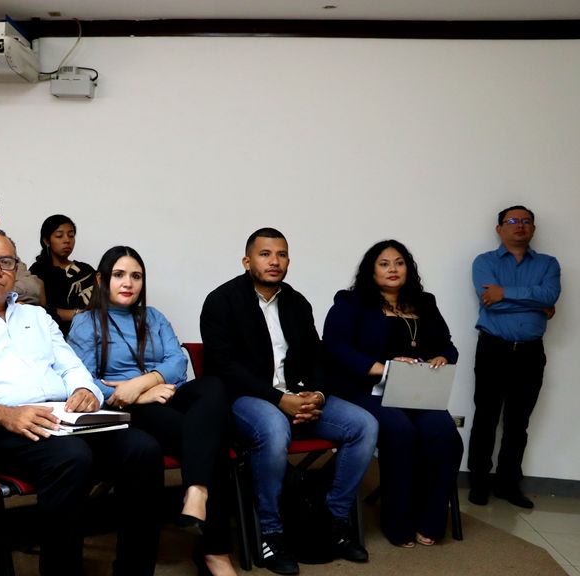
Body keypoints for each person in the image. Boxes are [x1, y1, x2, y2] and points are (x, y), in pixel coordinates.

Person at [0, 228, 163, 576]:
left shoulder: (36, 316)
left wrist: (85, 391)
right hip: (0, 428)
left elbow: (72, 367)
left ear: (16, 269)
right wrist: (2, 413)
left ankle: (134, 570)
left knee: (143, 449)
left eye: (6, 262)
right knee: (72, 458)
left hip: (65, 418)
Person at [200, 227, 377, 575]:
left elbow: (317, 358)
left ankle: (334, 521)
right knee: (273, 427)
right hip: (246, 399)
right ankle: (272, 533)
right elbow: (224, 368)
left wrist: (318, 395)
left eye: (281, 254)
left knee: (364, 425)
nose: (274, 261)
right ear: (247, 261)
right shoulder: (221, 301)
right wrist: (279, 400)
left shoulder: (297, 302)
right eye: (265, 254)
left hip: (297, 396)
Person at [67, 245, 236, 576]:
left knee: (213, 387)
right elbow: (83, 382)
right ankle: (215, 550)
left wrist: (143, 383)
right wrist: (137, 396)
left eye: (136, 276)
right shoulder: (86, 323)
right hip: (125, 408)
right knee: (210, 437)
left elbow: (177, 362)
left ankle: (197, 490)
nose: (128, 283)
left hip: (163, 392)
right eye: (119, 275)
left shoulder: (154, 317)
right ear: (101, 280)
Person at [322, 239, 462, 547]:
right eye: (384, 264)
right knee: (400, 431)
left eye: (399, 263)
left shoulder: (425, 303)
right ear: (371, 271)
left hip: (414, 391)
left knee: (445, 434)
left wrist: (442, 357)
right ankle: (398, 523)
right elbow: (335, 346)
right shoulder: (351, 302)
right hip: (367, 390)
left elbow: (447, 345)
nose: (393, 269)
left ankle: (430, 521)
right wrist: (381, 367)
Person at [467, 205, 560, 509]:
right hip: (493, 349)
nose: (520, 225)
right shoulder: (485, 261)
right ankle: (478, 482)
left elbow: (550, 296)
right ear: (500, 229)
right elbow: (490, 303)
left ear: (533, 228)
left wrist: (505, 293)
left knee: (518, 422)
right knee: (486, 418)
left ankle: (508, 484)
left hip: (530, 353)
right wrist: (534, 301)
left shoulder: (548, 263)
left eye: (526, 221)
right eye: (513, 220)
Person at [30, 214, 95, 334]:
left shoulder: (86, 270)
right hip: (57, 334)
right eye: (59, 236)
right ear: (46, 241)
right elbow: (40, 311)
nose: (67, 240)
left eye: (71, 235)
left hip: (93, 331)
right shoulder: (38, 271)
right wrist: (76, 314)